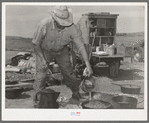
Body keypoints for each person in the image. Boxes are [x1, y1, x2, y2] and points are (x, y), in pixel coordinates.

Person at [32, 5, 93, 107]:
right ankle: (38, 99)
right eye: (60, 23)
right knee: (41, 74)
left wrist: (88, 64)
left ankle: (75, 93)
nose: (63, 25)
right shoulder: (44, 24)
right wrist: (42, 60)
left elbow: (81, 46)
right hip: (45, 50)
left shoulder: (72, 28)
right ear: (54, 19)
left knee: (69, 73)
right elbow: (36, 44)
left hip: (62, 50)